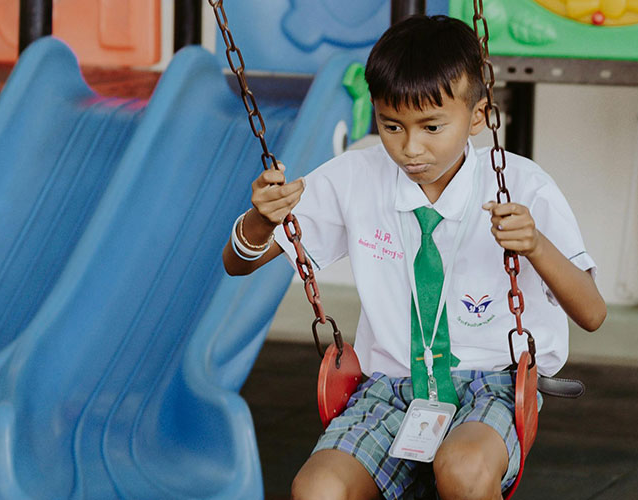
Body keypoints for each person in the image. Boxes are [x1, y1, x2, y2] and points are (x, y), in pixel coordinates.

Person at [223, 14, 606, 500]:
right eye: (391, 125)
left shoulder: (523, 185)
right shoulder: (356, 176)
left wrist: (535, 245)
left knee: (463, 469)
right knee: (315, 487)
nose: (410, 147)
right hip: (389, 387)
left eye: (431, 126)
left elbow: (592, 313)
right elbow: (238, 262)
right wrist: (261, 219)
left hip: (489, 386)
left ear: (478, 116)